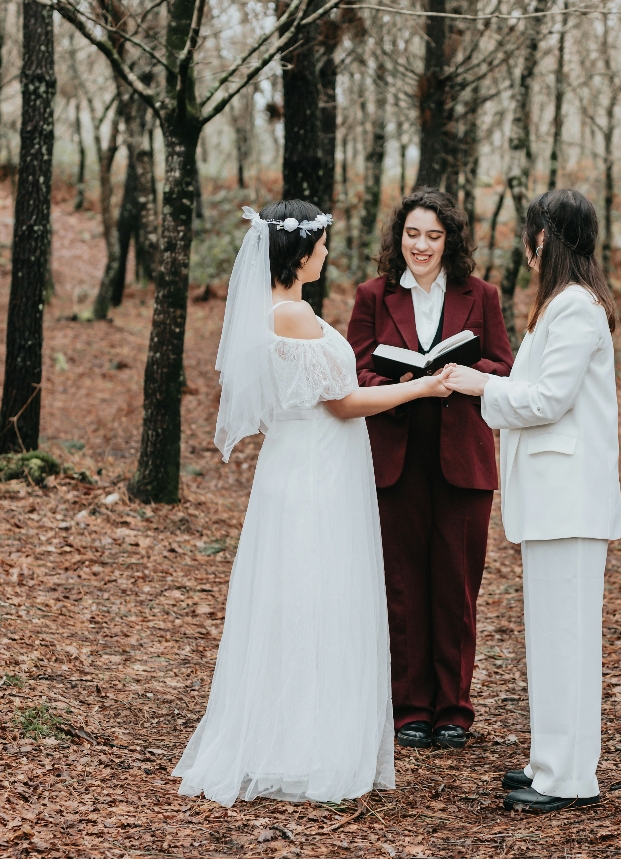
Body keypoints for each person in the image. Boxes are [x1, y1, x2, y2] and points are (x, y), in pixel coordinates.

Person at [173, 201, 454, 806]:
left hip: (306, 464)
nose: (327, 253)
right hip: (314, 474)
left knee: (301, 596)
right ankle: (304, 746)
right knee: (313, 597)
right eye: (322, 245)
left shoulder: (280, 310)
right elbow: (344, 402)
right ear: (300, 254)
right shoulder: (292, 314)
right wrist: (424, 385)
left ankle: (296, 735)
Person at [443, 188, 621, 813]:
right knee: (550, 639)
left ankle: (571, 778)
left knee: (567, 640)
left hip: (569, 500)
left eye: (533, 234)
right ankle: (550, 763)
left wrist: (478, 385)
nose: (527, 247)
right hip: (553, 500)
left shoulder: (576, 308)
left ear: (548, 239)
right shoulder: (560, 306)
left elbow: (547, 399)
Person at [346, 189, 514, 751]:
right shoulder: (373, 296)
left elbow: (503, 366)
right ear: (400, 237)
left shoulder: (482, 295)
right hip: (395, 456)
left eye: (434, 236)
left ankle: (454, 710)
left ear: (451, 242)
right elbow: (354, 373)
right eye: (413, 234)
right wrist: (399, 385)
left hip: (462, 460)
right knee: (402, 586)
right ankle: (409, 708)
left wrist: (463, 371)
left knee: (456, 587)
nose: (421, 245)